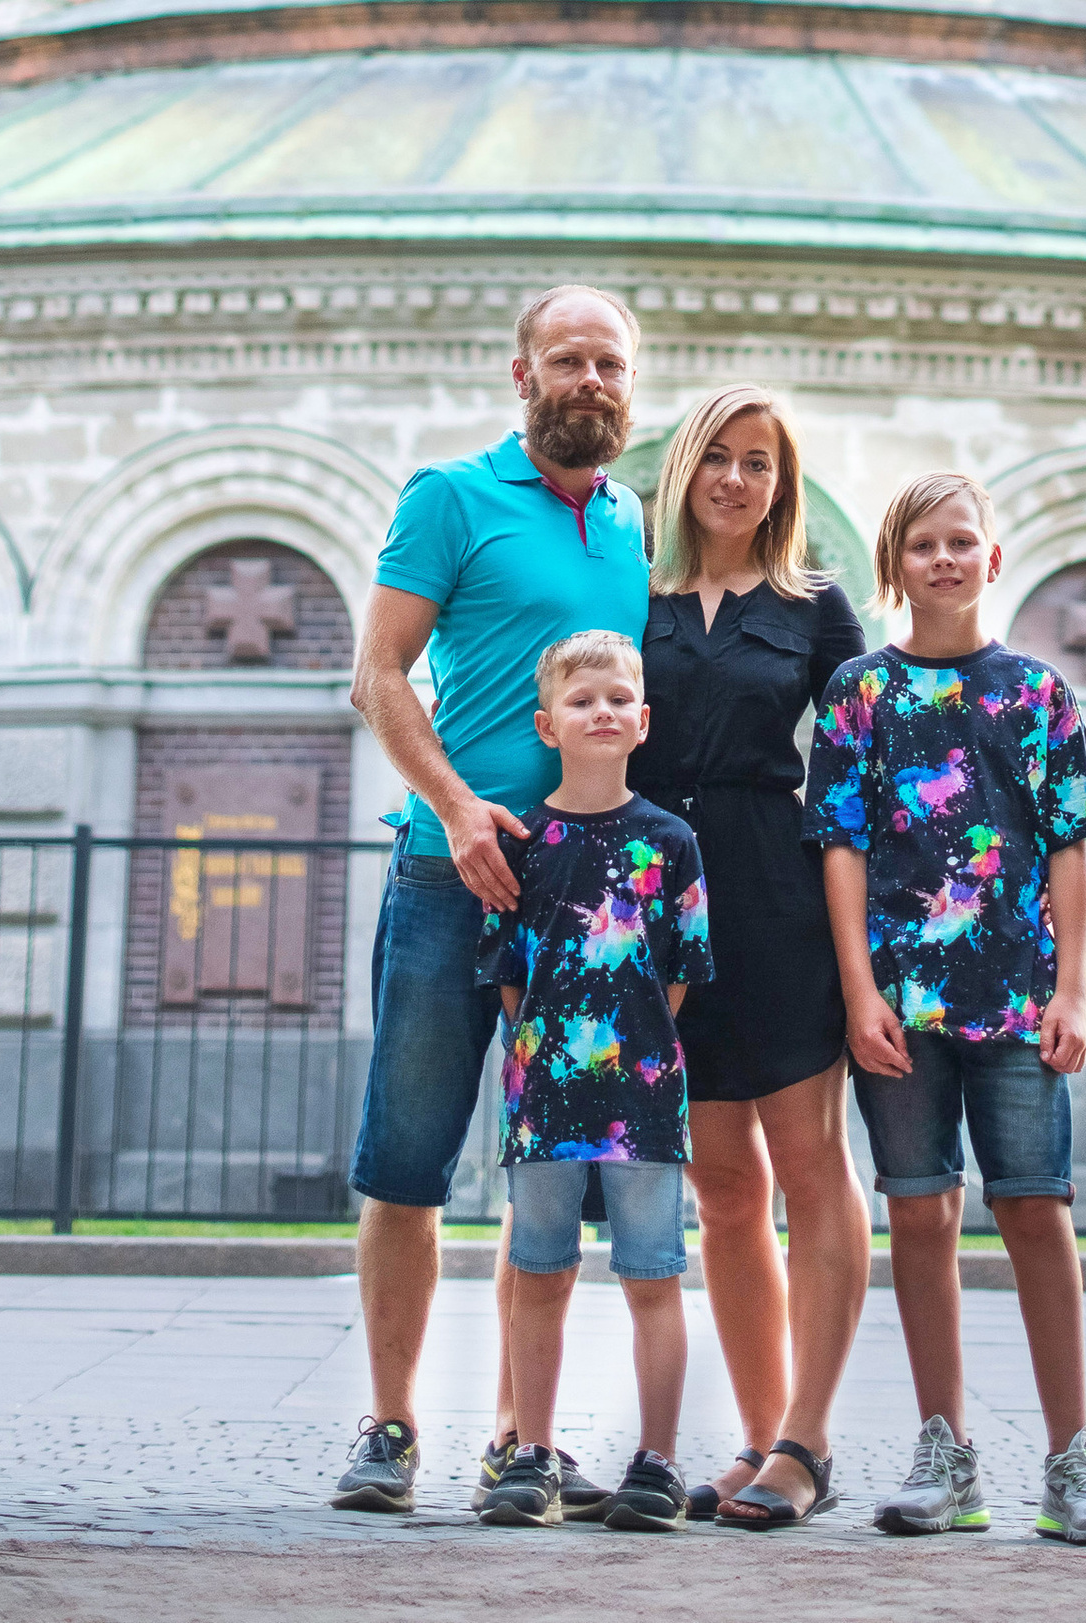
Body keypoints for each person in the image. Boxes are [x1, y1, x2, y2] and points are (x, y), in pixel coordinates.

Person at [338, 284, 651, 1520]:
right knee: (406, 1163)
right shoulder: (449, 497)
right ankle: (390, 1425)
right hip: (446, 877)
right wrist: (462, 809)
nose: (590, 379)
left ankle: (525, 1438)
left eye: (610, 363)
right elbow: (376, 674)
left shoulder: (632, 519)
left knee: (555, 1171)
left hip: (583, 899)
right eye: (567, 359)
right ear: (520, 375)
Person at [807, 470, 1086, 1547]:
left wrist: (1074, 990)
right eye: (920, 545)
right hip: (901, 1008)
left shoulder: (1038, 694)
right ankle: (943, 1455)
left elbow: (1073, 850)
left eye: (961, 541)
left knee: (1036, 1207)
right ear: (892, 568)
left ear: (991, 559)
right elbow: (843, 850)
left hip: (1018, 1004)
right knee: (919, 1212)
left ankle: (1071, 1458)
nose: (942, 559)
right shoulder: (859, 694)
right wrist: (859, 994)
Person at [641, 384, 868, 1527]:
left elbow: (867, 765)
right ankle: (759, 1434)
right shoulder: (633, 598)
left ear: (782, 485)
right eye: (719, 457)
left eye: (761, 463)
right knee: (724, 1188)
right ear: (684, 468)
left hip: (776, 896)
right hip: (660, 912)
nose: (737, 478)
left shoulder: (816, 608)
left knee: (810, 1165)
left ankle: (809, 1441)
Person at [473, 631, 713, 1530]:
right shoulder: (522, 844)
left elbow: (681, 970)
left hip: (643, 1101)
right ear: (548, 724)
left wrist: (635, 1046)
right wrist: (546, 1054)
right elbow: (505, 972)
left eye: (618, 697)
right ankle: (530, 1452)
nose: (601, 710)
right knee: (540, 1270)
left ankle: (655, 1461)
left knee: (653, 1273)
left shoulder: (672, 842)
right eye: (581, 701)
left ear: (643, 720)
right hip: (544, 1102)